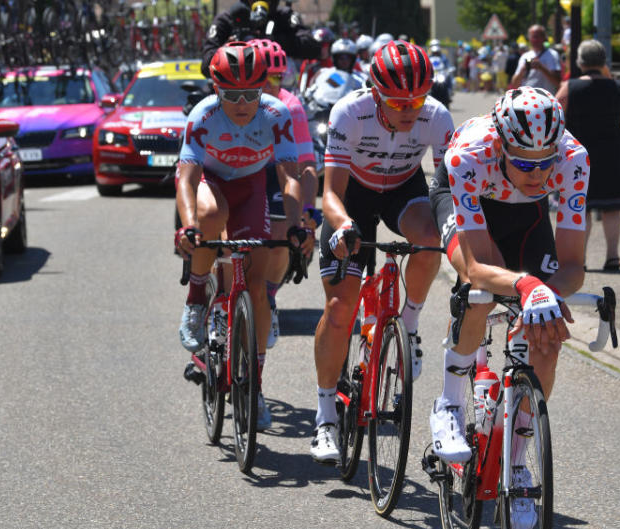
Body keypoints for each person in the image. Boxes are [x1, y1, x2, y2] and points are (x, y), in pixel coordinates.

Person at [428, 87, 589, 529]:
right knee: (478, 292)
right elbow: (480, 266)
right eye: (524, 161)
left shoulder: (574, 160)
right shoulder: (470, 155)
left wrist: (546, 296)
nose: (537, 171)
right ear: (501, 143)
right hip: (469, 200)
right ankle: (449, 405)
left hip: (525, 214)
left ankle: (516, 464)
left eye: (545, 161)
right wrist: (528, 285)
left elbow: (573, 266)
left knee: (547, 339)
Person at [309, 41, 454, 463]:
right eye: (397, 102)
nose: (410, 111)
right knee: (340, 309)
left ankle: (408, 325)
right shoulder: (348, 113)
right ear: (375, 92)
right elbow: (330, 194)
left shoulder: (437, 116)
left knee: (431, 237)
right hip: (352, 197)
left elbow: (449, 189)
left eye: (417, 100)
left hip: (403, 192)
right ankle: (324, 417)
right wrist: (344, 227)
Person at [175, 42, 313, 428]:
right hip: (212, 181)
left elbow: (288, 176)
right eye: (231, 94)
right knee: (211, 215)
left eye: (250, 93)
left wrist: (298, 222)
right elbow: (185, 179)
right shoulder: (203, 116)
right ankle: (198, 296)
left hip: (252, 185)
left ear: (263, 89)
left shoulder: (276, 114)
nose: (241, 103)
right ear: (216, 91)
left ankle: (253, 387)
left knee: (257, 284)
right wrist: (188, 227)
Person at [252, 39, 319, 357]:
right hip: (238, 172)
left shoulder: (290, 107)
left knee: (281, 234)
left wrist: (308, 212)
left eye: (280, 78)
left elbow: (305, 166)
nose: (274, 85)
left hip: (276, 171)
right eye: (268, 77)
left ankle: (268, 296)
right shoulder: (231, 102)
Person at [555, 39, 620, 271]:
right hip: (612, 153)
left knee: (581, 207)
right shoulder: (617, 87)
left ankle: (581, 259)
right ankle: (612, 256)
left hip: (580, 155)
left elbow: (555, 116)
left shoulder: (570, 87)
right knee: (611, 208)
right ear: (603, 62)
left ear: (580, 62)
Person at [201, 1, 320, 76]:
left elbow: (313, 48)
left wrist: (272, 41)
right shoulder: (228, 20)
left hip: (279, 90)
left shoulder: (284, 16)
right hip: (236, 96)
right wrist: (229, 48)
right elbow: (206, 65)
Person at [510, 24, 561, 93]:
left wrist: (541, 67)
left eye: (537, 37)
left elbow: (558, 82)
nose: (534, 40)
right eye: (532, 37)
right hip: (527, 99)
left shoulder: (553, 54)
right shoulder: (525, 56)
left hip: (546, 100)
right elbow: (514, 84)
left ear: (544, 38)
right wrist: (523, 69)